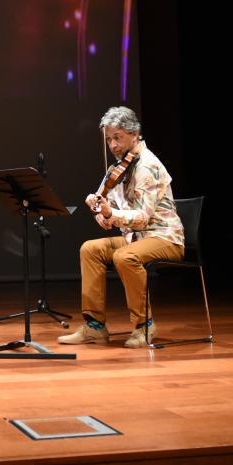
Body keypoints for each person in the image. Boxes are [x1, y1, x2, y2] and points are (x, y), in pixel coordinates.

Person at [58, 106, 184, 349]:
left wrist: (111, 214)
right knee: (90, 249)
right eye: (108, 139)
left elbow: (143, 218)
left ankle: (144, 325)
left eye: (118, 137)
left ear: (134, 134)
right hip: (135, 238)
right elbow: (108, 217)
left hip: (164, 237)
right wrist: (99, 210)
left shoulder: (147, 165)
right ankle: (94, 326)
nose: (113, 145)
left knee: (125, 256)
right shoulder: (118, 168)